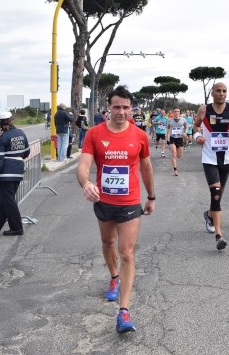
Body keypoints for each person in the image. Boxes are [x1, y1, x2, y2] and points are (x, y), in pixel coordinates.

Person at [76, 85, 156, 333]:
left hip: (130, 202)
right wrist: (86, 183)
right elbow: (83, 165)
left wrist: (151, 196)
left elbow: (146, 168)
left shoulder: (139, 135)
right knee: (108, 243)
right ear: (108, 108)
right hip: (103, 201)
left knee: (127, 252)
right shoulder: (94, 134)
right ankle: (114, 277)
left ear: (131, 109)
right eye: (116, 107)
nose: (121, 112)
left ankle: (124, 311)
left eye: (125, 107)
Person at [193, 82, 229, 250]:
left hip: (226, 159)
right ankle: (219, 236)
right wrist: (197, 136)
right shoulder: (204, 110)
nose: (221, 94)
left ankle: (209, 215)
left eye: (224, 91)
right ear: (212, 93)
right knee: (216, 194)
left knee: (219, 194)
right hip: (209, 158)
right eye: (218, 91)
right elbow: (195, 126)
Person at [0, 112, 30, 236]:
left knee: (8, 201)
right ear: (12, 120)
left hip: (6, 173)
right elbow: (26, 152)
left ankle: (17, 228)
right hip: (18, 170)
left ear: (0, 123)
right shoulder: (21, 133)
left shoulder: (1, 138)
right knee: (5, 201)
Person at [166, 107, 189, 176]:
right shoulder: (169, 120)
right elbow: (167, 129)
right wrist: (167, 138)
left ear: (180, 112)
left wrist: (185, 132)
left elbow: (187, 127)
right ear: (172, 112)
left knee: (179, 156)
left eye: (178, 111)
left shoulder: (183, 120)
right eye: (175, 111)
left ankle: (180, 147)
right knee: (173, 153)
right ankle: (175, 170)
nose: (176, 113)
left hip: (180, 138)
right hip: (172, 138)